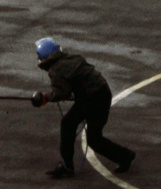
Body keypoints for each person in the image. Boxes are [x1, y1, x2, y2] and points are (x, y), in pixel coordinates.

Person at [33, 37, 135, 180]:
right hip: (101, 93)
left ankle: (68, 166)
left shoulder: (56, 70)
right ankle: (124, 156)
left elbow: (61, 93)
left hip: (92, 100)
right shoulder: (73, 58)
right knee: (81, 130)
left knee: (80, 131)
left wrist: (43, 98)